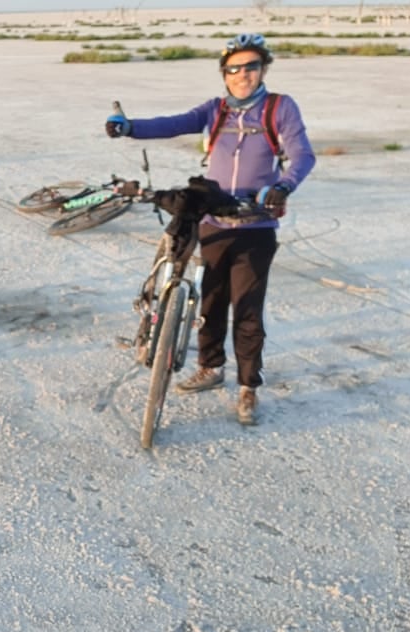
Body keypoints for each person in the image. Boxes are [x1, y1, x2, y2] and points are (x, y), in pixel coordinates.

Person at [105, 33, 315, 425]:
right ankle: (210, 367)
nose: (242, 75)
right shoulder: (216, 110)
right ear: (224, 73)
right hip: (213, 220)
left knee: (247, 309)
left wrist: (283, 186)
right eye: (234, 68)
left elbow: (302, 154)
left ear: (263, 69)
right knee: (211, 300)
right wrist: (130, 127)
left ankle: (248, 387)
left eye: (250, 67)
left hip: (255, 223)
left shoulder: (278, 108)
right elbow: (175, 123)